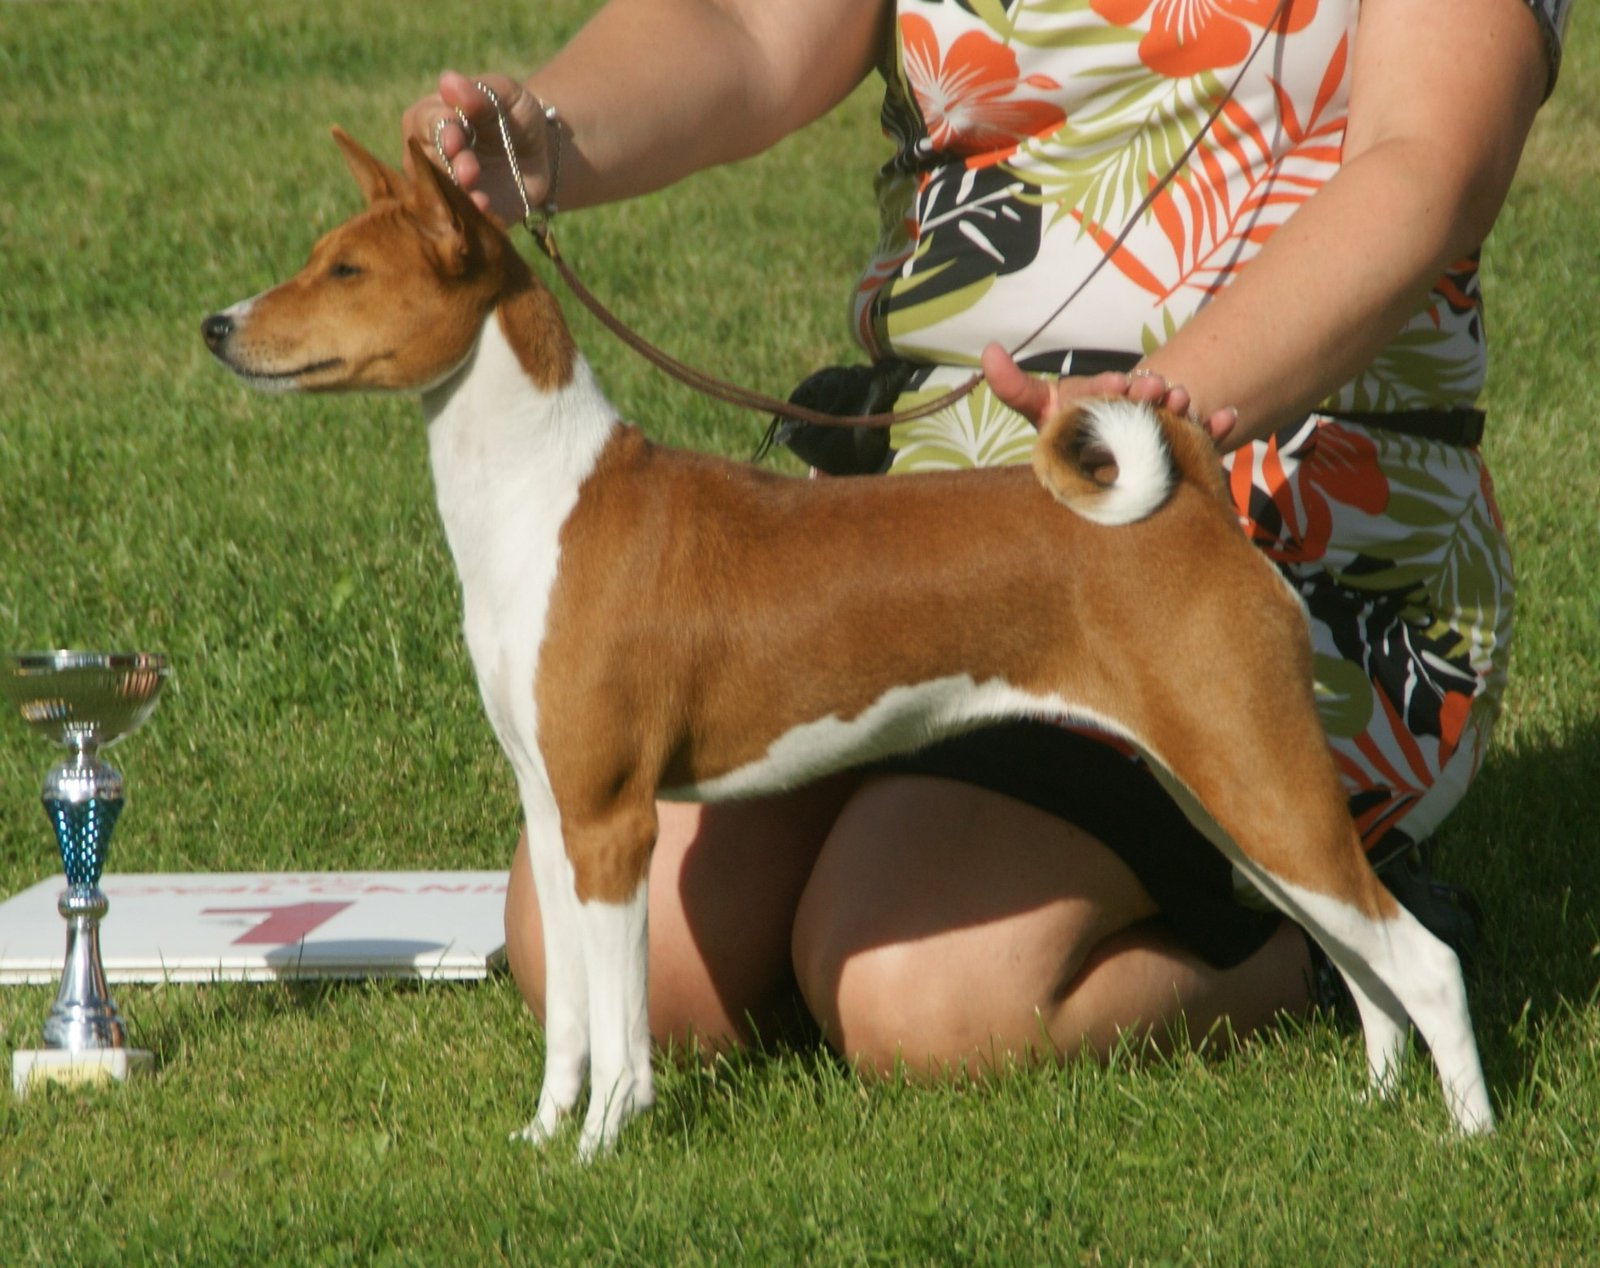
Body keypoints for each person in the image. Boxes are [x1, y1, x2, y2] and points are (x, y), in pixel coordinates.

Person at [403, 0, 1568, 1077]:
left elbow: (1426, 160)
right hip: (906, 502)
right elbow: (750, 30)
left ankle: (1341, 940)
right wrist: (541, 134)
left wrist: (1149, 415)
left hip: (1252, 491)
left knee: (924, 994)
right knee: (614, 965)